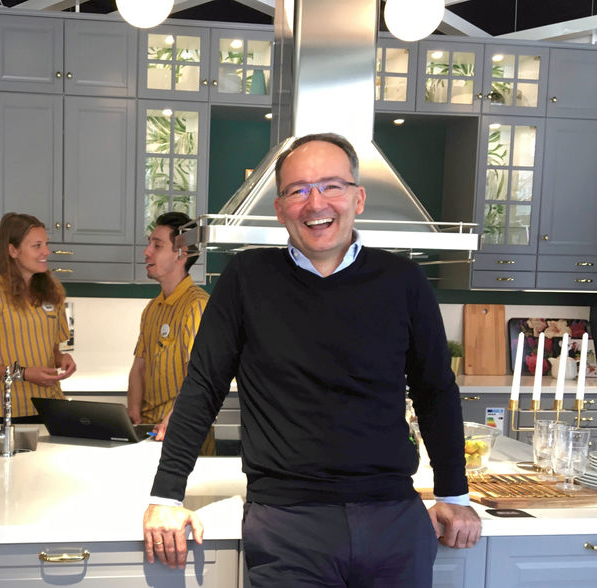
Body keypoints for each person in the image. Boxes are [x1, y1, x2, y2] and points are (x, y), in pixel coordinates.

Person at [142, 133, 481, 587]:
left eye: (332, 186)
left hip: (393, 517)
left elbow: (435, 390)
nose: (315, 202)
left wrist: (453, 491)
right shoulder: (246, 278)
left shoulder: (404, 281)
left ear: (358, 198)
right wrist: (167, 492)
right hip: (286, 521)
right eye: (297, 190)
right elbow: (203, 386)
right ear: (280, 208)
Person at [0, 212, 76, 424]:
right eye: (37, 245)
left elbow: (52, 351)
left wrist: (63, 359)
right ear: (13, 250)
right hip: (9, 412)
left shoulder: (53, 291)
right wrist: (23, 374)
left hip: (51, 407)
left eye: (46, 244)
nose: (46, 251)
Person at [127, 212, 215, 455]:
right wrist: (133, 412)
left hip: (183, 430)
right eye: (149, 244)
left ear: (181, 253)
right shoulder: (152, 308)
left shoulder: (197, 306)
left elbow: (201, 377)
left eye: (157, 245)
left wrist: (176, 416)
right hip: (150, 432)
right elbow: (140, 366)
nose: (147, 252)